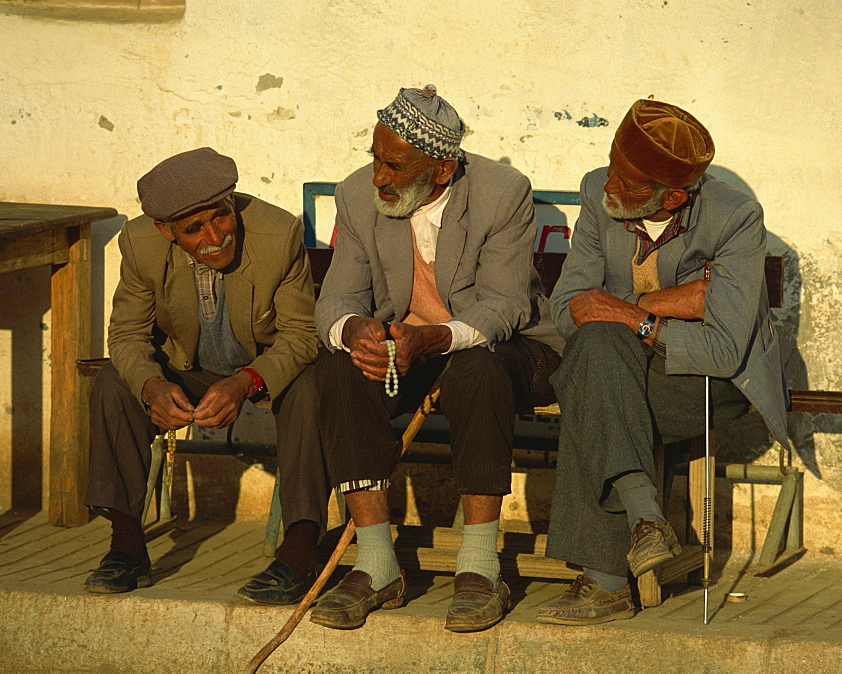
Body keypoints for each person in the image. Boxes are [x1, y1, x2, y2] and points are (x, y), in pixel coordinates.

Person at [300, 85, 563, 633]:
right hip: (410, 351)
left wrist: (434, 338)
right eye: (375, 158)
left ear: (442, 170)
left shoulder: (501, 193)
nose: (377, 176)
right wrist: (356, 332)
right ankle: (376, 566)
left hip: (510, 349)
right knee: (337, 369)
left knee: (477, 370)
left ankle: (481, 568)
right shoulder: (356, 196)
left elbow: (505, 306)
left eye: (394, 165)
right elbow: (337, 299)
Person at [536, 100, 789, 625]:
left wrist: (638, 314)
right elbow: (566, 308)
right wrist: (683, 299)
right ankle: (647, 521)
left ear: (672, 196)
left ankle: (607, 581)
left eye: (626, 184)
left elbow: (722, 349)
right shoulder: (596, 192)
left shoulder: (735, 217)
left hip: (708, 380)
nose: (609, 186)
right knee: (598, 362)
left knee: (597, 379)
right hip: (620, 366)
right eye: (611, 167)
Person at [84, 147, 320, 602]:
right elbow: (128, 335)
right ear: (165, 231)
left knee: (311, 386)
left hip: (265, 368)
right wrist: (153, 386)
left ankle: (299, 551)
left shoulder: (280, 233)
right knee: (116, 381)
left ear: (232, 203)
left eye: (222, 216)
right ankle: (127, 546)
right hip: (188, 369)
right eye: (194, 228)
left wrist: (247, 381)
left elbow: (300, 336)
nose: (216, 236)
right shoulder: (139, 244)